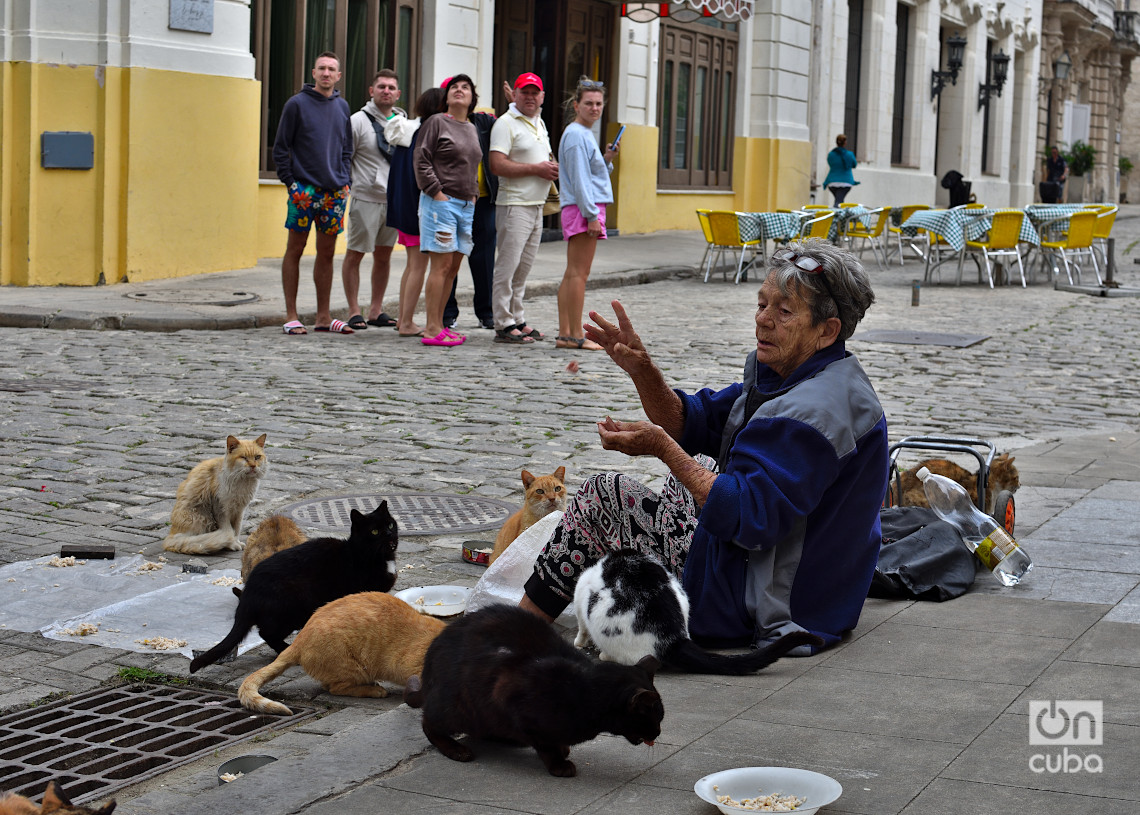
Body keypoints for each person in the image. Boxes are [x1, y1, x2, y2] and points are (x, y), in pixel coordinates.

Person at [518, 239, 888, 653]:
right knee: (702, 462)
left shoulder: (813, 412)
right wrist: (643, 370)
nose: (762, 320)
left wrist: (663, 449)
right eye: (762, 304)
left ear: (827, 331)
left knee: (604, 497)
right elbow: (695, 421)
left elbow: (746, 514)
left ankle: (510, 637)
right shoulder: (802, 374)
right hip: (796, 581)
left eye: (783, 312)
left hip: (769, 602)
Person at [273, 51, 354, 335]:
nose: (326, 74)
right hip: (303, 192)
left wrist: (346, 181)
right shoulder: (296, 104)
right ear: (313, 73)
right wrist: (291, 184)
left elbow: (347, 148)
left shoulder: (343, 107)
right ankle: (292, 315)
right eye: (322, 68)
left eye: (332, 69)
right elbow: (281, 148)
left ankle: (323, 316)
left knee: (327, 254)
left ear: (338, 75)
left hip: (334, 193)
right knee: (294, 249)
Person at [488, 72, 559, 345]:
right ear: (514, 94)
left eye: (534, 92)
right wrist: (536, 168)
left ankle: (517, 317)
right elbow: (497, 165)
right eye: (524, 92)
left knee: (523, 268)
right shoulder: (505, 124)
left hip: (536, 205)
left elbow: (542, 158)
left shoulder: (538, 122)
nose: (530, 97)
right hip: (514, 204)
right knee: (507, 267)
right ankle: (503, 322)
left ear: (542, 97)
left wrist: (549, 166)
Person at [414, 74, 484, 347]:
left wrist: (475, 195)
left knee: (453, 267)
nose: (459, 90)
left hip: (466, 204)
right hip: (440, 203)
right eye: (454, 87)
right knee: (441, 265)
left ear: (472, 98)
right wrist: (437, 193)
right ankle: (431, 328)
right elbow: (421, 159)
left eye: (465, 87)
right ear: (446, 97)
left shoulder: (471, 128)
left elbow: (472, 165)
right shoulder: (436, 122)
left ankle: (440, 324)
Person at [555, 78, 618, 351]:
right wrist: (591, 214)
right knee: (579, 274)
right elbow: (580, 180)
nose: (594, 108)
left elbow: (588, 174)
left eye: (598, 103)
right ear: (576, 105)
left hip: (581, 207)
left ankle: (566, 334)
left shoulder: (580, 134)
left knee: (573, 273)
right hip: (583, 209)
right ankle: (575, 336)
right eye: (589, 103)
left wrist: (606, 160)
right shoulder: (577, 134)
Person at [340, 69, 405, 331]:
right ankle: (354, 310)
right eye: (381, 87)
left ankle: (376, 310)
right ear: (371, 91)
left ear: (398, 94)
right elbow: (345, 156)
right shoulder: (357, 121)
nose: (386, 91)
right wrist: (346, 185)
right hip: (364, 198)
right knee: (355, 254)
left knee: (384, 256)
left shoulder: (403, 122)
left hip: (392, 201)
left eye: (391, 87)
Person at [384, 87, 446, 337]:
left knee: (412, 266)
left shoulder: (408, 131)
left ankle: (403, 318)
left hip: (403, 205)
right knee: (418, 266)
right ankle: (407, 321)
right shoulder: (425, 134)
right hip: (417, 209)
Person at [822, 134, 858, 206]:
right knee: (838, 202)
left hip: (832, 182)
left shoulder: (831, 154)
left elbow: (830, 163)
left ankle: (839, 214)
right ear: (845, 143)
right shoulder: (849, 154)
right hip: (846, 182)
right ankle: (837, 215)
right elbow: (854, 164)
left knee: (839, 200)